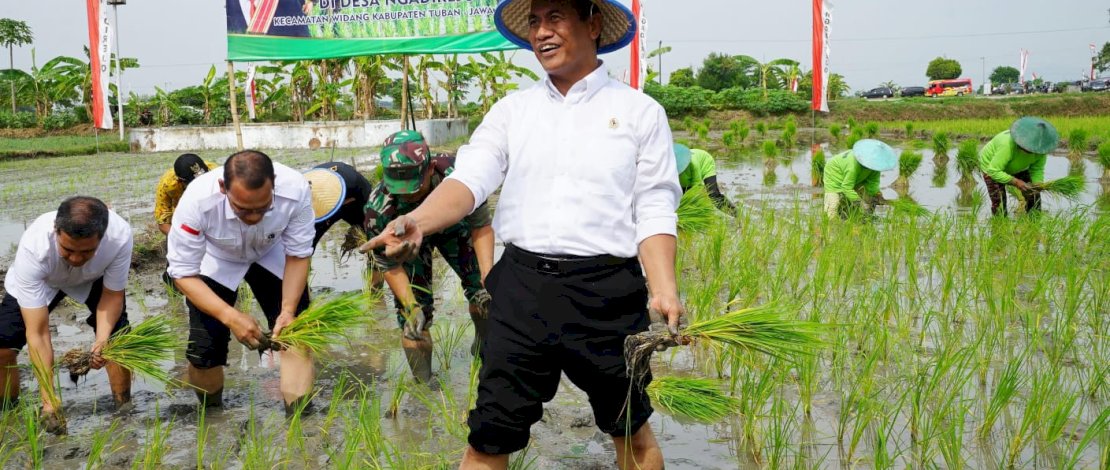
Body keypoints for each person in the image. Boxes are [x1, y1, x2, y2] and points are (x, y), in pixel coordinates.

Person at [361, 1, 684, 468]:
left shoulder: (639, 112)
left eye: (555, 18)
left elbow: (654, 207)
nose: (541, 33)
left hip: (607, 294)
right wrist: (422, 220)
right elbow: (469, 180)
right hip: (522, 288)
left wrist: (665, 289)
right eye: (534, 21)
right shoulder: (513, 111)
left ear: (593, 23)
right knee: (488, 438)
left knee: (630, 429)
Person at [166, 150, 315, 414]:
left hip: (272, 252)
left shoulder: (295, 190)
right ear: (224, 188)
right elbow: (182, 273)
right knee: (204, 349)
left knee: (296, 337)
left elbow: (298, 254)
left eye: (263, 208)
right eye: (244, 209)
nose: (254, 217)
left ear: (274, 185)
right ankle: (211, 416)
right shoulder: (197, 201)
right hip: (217, 258)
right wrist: (231, 317)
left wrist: (289, 311)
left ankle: (300, 417)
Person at [362, 130, 494, 384]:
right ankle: (424, 387)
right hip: (407, 243)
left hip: (456, 226)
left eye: (414, 185)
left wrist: (488, 276)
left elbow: (481, 225)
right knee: (414, 322)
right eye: (399, 188)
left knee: (485, 296)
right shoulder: (379, 209)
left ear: (431, 167)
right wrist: (410, 306)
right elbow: (388, 263)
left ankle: (483, 347)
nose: (408, 195)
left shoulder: (459, 175)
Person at [0, 197, 133, 434]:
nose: (75, 259)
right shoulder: (35, 246)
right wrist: (49, 401)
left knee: (119, 343)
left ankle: (123, 410)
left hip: (93, 278)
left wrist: (101, 341)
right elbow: (38, 333)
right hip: (45, 279)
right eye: (68, 249)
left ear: (102, 238)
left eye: (87, 251)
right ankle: (7, 410)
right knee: (2, 348)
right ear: (56, 231)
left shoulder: (119, 236)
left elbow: (113, 295)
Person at [155, 154, 217, 286]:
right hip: (181, 223)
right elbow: (163, 221)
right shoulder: (168, 185)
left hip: (210, 216)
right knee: (177, 269)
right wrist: (184, 238)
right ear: (181, 181)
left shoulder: (216, 174)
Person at [978, 117, 1058, 216]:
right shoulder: (1007, 144)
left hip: (1018, 167)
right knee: (1000, 205)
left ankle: (1034, 224)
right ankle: (999, 225)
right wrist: (1016, 182)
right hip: (992, 167)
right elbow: (993, 171)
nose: (1030, 150)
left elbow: (1037, 169)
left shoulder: (1040, 150)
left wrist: (1038, 184)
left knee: (1034, 195)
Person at [304, 161, 373, 254]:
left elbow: (368, 201)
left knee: (369, 234)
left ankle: (376, 263)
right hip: (320, 200)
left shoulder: (354, 183)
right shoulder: (305, 189)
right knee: (307, 245)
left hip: (355, 199)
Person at [823, 139, 897, 218]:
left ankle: (854, 217)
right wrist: (859, 202)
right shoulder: (852, 167)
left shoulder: (875, 167)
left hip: (854, 177)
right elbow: (846, 188)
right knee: (833, 204)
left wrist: (877, 195)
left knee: (864, 200)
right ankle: (831, 224)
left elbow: (873, 185)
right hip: (834, 173)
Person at [674, 143, 736, 212]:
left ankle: (735, 213)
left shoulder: (693, 164)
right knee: (681, 200)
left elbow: (697, 186)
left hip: (706, 163)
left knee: (713, 195)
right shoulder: (669, 168)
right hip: (687, 178)